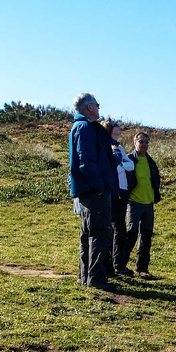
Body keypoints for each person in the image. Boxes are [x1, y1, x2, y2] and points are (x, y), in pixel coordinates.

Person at [68, 93, 118, 291]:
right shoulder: (85, 127)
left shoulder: (82, 127)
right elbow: (86, 161)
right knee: (99, 233)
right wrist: (99, 186)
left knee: (88, 233)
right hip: (94, 191)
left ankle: (85, 276)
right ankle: (96, 278)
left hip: (89, 190)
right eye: (96, 105)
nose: (99, 108)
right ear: (89, 108)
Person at [124, 131, 161, 278]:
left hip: (148, 203)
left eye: (146, 142)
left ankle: (142, 269)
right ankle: (120, 264)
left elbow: (155, 181)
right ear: (135, 142)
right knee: (131, 233)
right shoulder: (129, 160)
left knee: (146, 236)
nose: (144, 144)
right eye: (141, 141)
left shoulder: (151, 162)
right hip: (133, 203)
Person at [101, 119, 135, 277]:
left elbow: (130, 165)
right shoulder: (107, 145)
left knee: (120, 228)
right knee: (117, 227)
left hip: (123, 189)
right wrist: (121, 165)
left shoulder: (118, 146)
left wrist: (120, 165)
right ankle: (113, 264)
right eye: (115, 125)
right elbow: (113, 165)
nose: (119, 127)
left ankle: (118, 264)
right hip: (114, 190)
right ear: (110, 129)